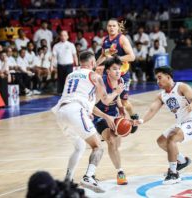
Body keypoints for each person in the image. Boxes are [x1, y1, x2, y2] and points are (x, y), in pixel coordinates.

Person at [52, 51, 124, 193]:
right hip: (75, 110)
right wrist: (116, 92)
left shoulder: (70, 75)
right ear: (92, 63)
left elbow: (84, 96)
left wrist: (88, 111)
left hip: (61, 112)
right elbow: (105, 100)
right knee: (98, 147)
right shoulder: (95, 76)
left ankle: (68, 180)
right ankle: (88, 176)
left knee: (79, 147)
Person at [134, 66, 192, 184]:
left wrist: (191, 106)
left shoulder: (181, 87)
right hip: (181, 123)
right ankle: (183, 161)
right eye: (156, 79)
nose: (158, 81)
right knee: (161, 141)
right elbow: (152, 110)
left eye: (160, 78)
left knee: (171, 138)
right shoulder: (161, 95)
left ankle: (173, 173)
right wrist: (141, 121)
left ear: (168, 76)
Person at [96, 18, 139, 133]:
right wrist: (94, 65)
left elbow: (132, 57)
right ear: (107, 27)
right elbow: (103, 55)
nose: (111, 28)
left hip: (122, 74)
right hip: (109, 74)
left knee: (124, 101)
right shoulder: (105, 40)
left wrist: (116, 60)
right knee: (104, 98)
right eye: (109, 26)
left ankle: (134, 117)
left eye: (114, 26)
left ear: (118, 27)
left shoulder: (122, 39)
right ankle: (104, 124)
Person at [92, 56, 128, 185]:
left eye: (119, 69)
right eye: (114, 69)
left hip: (113, 114)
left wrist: (121, 108)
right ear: (108, 71)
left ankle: (91, 173)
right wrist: (117, 92)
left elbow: (117, 97)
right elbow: (105, 100)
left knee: (117, 145)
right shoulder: (101, 82)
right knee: (111, 142)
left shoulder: (120, 80)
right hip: (99, 114)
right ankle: (120, 172)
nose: (118, 71)